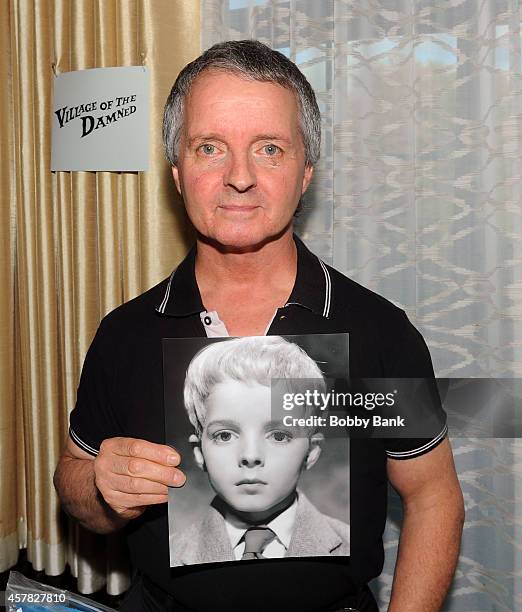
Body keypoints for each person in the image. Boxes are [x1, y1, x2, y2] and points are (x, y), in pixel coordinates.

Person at [54, 40, 464, 612]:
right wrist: (99, 487)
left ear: (306, 173)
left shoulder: (378, 332)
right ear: (177, 172)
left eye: (269, 148)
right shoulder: (126, 334)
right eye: (210, 148)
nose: (239, 177)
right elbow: (74, 481)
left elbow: (432, 494)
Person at [169, 336, 349, 566]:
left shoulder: (348, 542)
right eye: (224, 435)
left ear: (311, 452)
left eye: (279, 436)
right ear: (199, 452)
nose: (250, 456)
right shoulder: (173, 552)